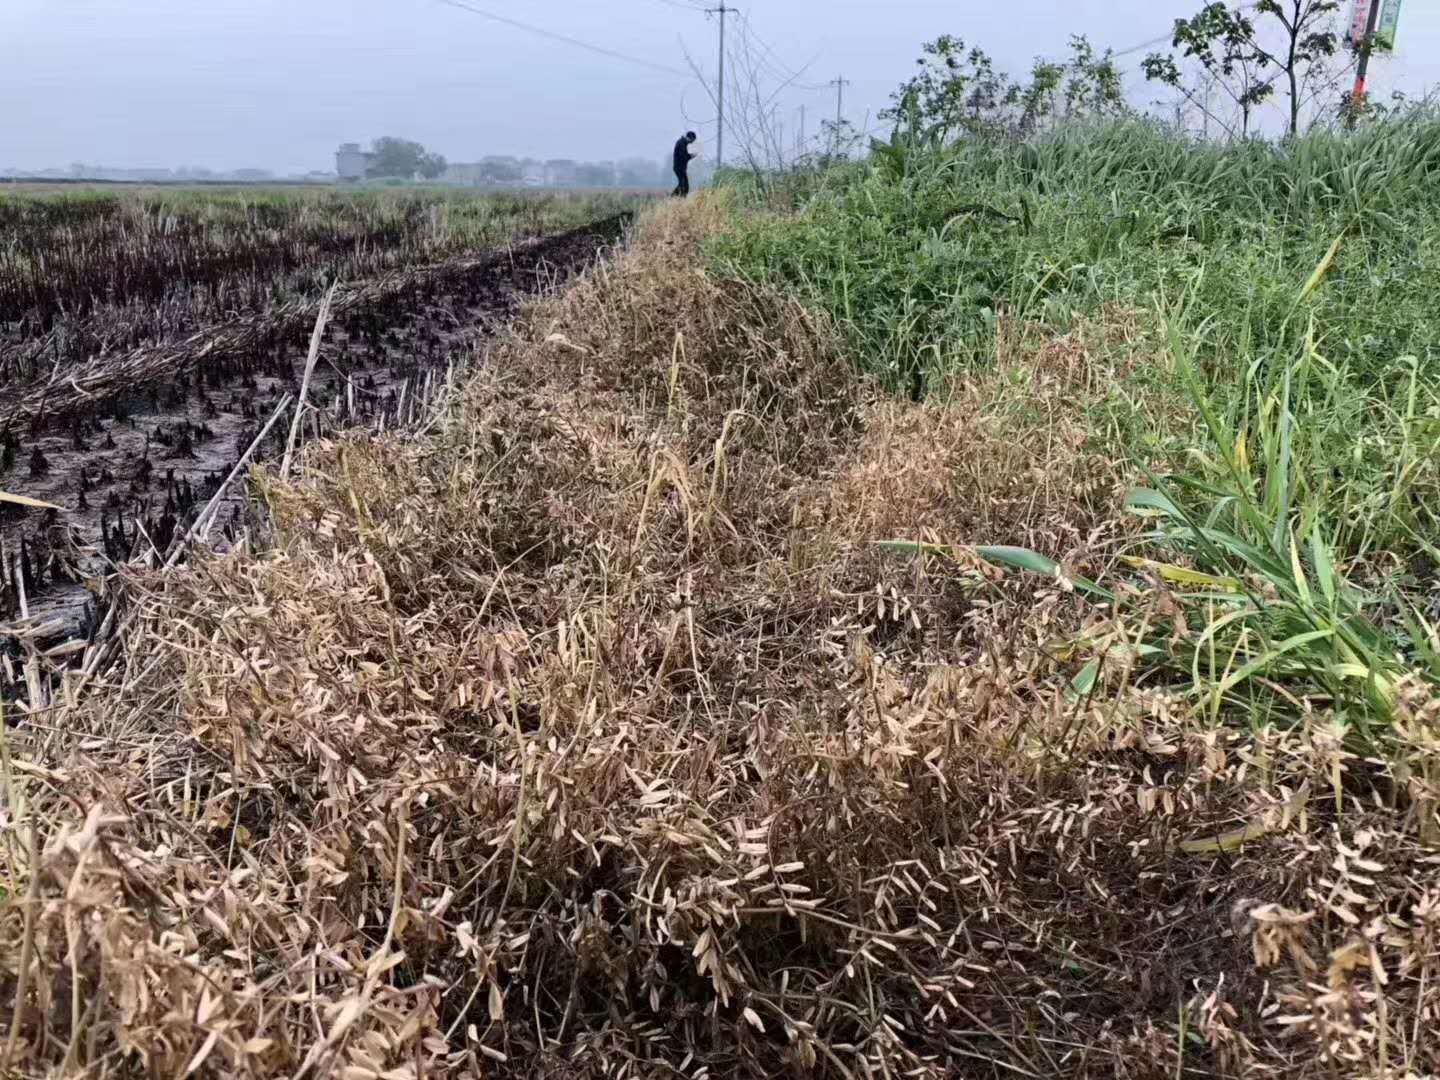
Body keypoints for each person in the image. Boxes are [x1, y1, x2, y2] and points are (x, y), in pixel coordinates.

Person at [672, 131, 698, 197]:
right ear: (690, 138)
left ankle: (674, 197)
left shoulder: (683, 142)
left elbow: (684, 155)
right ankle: (677, 198)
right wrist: (691, 156)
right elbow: (683, 156)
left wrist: (690, 155)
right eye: (692, 140)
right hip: (679, 168)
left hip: (681, 168)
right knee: (684, 186)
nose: (692, 142)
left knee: (683, 185)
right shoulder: (681, 143)